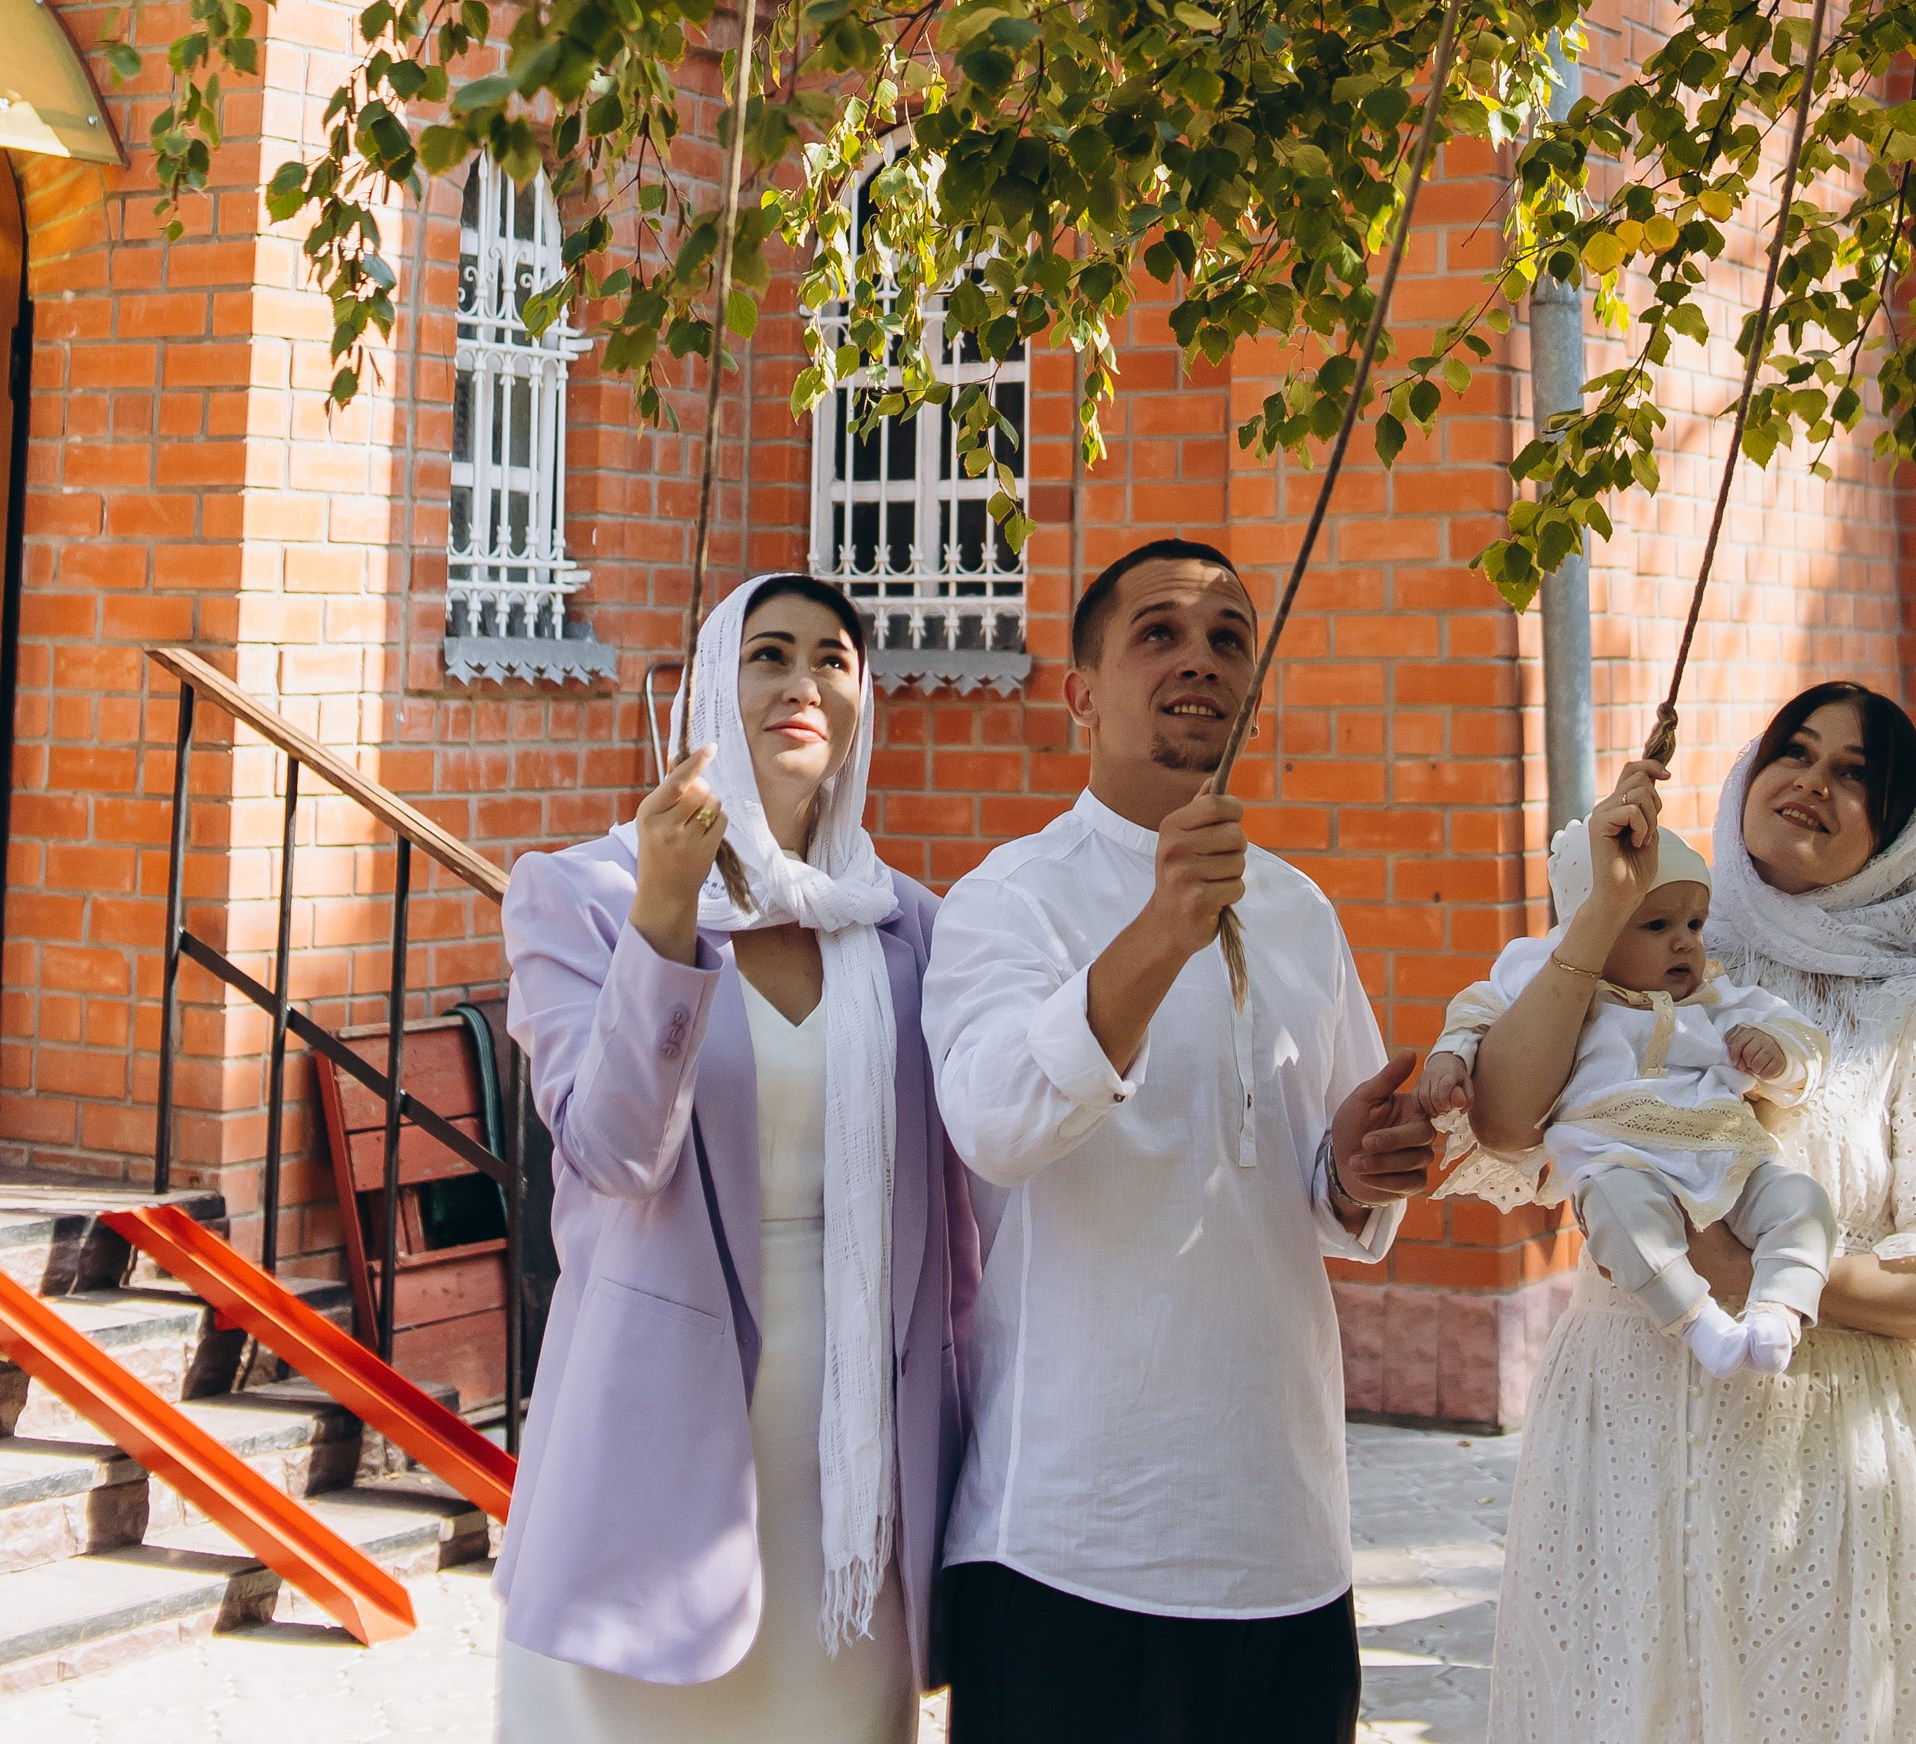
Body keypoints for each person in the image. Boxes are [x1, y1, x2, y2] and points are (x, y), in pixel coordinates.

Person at [1446, 679, 1916, 1744]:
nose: (1812, 782)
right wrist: (1603, 909)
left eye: (1856, 774)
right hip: (1619, 1434)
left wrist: (1740, 1267)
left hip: (1822, 1464)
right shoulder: (1653, 947)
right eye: (1795, 752)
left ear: (1898, 833)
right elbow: (1500, 1117)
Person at [921, 536, 1435, 1744]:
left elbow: (1328, 1204)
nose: (1198, 658)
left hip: (1282, 1533)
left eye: (1227, 637)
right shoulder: (1012, 894)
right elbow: (993, 1125)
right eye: (1157, 631)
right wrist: (1159, 931)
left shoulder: (1300, 908)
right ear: (1080, 692)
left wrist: (1362, 1169)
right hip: (1066, 1532)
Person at [493, 571, 977, 1741]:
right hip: (655, 1450)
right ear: (714, 686)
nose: (802, 682)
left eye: (832, 658)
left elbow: (966, 1225)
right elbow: (611, 1149)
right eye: (768, 655)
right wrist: (666, 916)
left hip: (854, 1471)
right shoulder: (585, 895)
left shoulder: (911, 924)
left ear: (864, 698)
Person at [1424, 818, 1836, 1377]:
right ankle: (1700, 1325)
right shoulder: (1562, 991)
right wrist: (1449, 1059)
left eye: (1695, 923)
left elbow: (1806, 1041)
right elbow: (1479, 1011)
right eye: (1657, 924)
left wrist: (1776, 1051)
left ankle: (1779, 1309)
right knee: (1621, 1218)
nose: (1684, 941)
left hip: (1724, 1152)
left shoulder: (1716, 997)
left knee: (1800, 1202)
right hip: (1614, 1153)